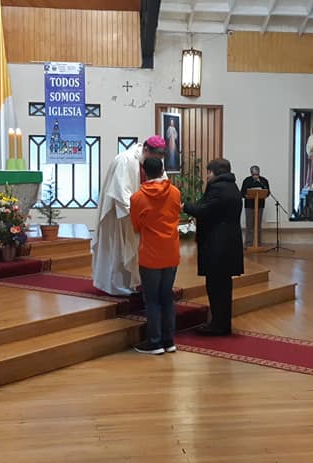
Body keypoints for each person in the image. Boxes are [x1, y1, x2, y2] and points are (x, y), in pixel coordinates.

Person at [92, 136, 166, 296]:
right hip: (121, 215)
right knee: (119, 250)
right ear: (146, 150)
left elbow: (162, 183)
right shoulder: (125, 160)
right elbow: (121, 192)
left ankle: (137, 283)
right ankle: (118, 286)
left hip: (142, 215)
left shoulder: (153, 162)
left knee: (138, 250)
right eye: (156, 157)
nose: (158, 161)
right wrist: (137, 213)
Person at [184, 158, 244, 336]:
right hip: (229, 244)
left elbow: (204, 210)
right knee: (224, 287)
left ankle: (218, 325)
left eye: (209, 172)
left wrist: (185, 206)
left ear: (216, 172)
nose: (207, 176)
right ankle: (222, 322)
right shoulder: (233, 187)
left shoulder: (217, 188)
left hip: (217, 245)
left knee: (216, 286)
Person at [130, 157, 182, 355]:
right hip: (171, 251)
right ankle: (169, 341)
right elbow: (176, 215)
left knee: (152, 299)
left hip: (150, 253)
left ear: (144, 173)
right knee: (167, 297)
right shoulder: (175, 192)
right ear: (162, 170)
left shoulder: (137, 198)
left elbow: (136, 226)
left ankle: (154, 342)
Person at [240, 165, 270, 248]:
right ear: (251, 173)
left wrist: (264, 193)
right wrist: (247, 195)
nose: (255, 176)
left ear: (259, 173)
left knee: (258, 225)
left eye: (257, 174)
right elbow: (242, 193)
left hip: (259, 205)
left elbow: (267, 192)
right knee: (249, 225)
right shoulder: (247, 180)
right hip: (249, 206)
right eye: (254, 174)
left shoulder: (263, 181)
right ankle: (248, 244)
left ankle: (258, 243)